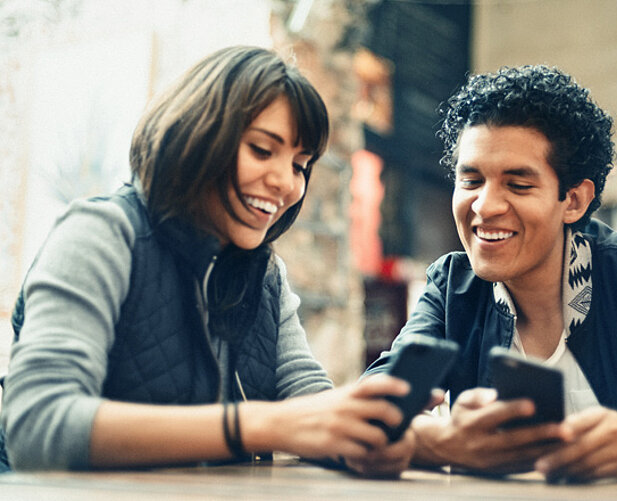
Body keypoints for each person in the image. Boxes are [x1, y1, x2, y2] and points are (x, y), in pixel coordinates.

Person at [0, 46, 412, 472]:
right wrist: (255, 424)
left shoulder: (265, 273)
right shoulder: (101, 233)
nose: (286, 184)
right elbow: (37, 427)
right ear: (197, 133)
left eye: (300, 165)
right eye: (262, 150)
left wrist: (418, 439)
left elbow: (306, 398)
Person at [364, 65, 617, 481]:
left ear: (574, 201)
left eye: (518, 185)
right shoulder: (452, 289)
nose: (484, 206)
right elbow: (368, 411)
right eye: (471, 180)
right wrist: (442, 441)